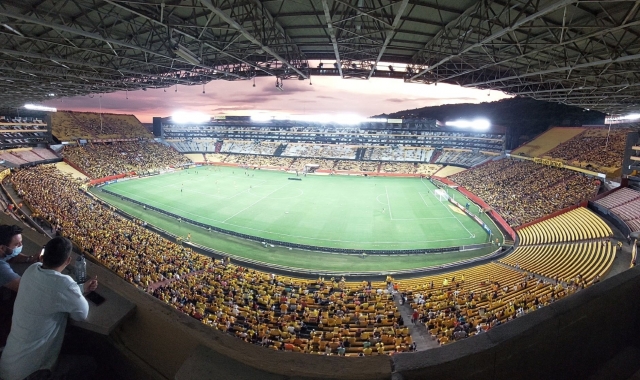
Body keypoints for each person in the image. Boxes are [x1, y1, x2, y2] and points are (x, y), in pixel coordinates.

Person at [0, 237, 98, 380]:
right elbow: (81, 314)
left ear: (43, 255)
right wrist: (76, 290)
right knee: (90, 364)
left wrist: (81, 288)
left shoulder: (32, 269)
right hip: (31, 374)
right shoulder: (65, 284)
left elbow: (51, 291)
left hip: (8, 365)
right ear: (68, 261)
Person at [0, 225, 35, 292]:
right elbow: (24, 288)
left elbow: (10, 257)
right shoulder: (1, 268)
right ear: (2, 248)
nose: (21, 246)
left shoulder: (2, 253)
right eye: (16, 244)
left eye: (21, 242)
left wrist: (30, 259)